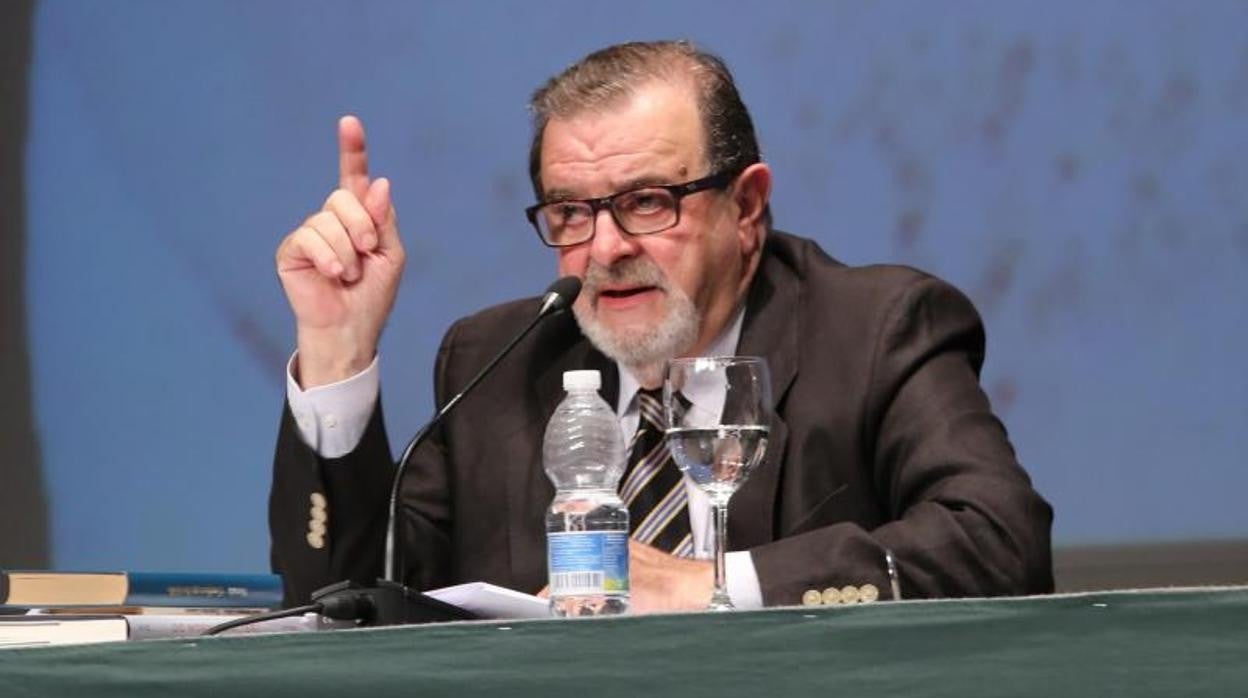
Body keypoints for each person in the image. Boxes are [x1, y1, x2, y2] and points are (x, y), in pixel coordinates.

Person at [269, 41, 1053, 612]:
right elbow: (346, 604)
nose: (606, 249)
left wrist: (715, 587)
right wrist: (337, 348)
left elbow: (999, 540)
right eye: (572, 212)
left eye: (648, 202)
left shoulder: (876, 331)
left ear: (745, 207)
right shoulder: (495, 361)